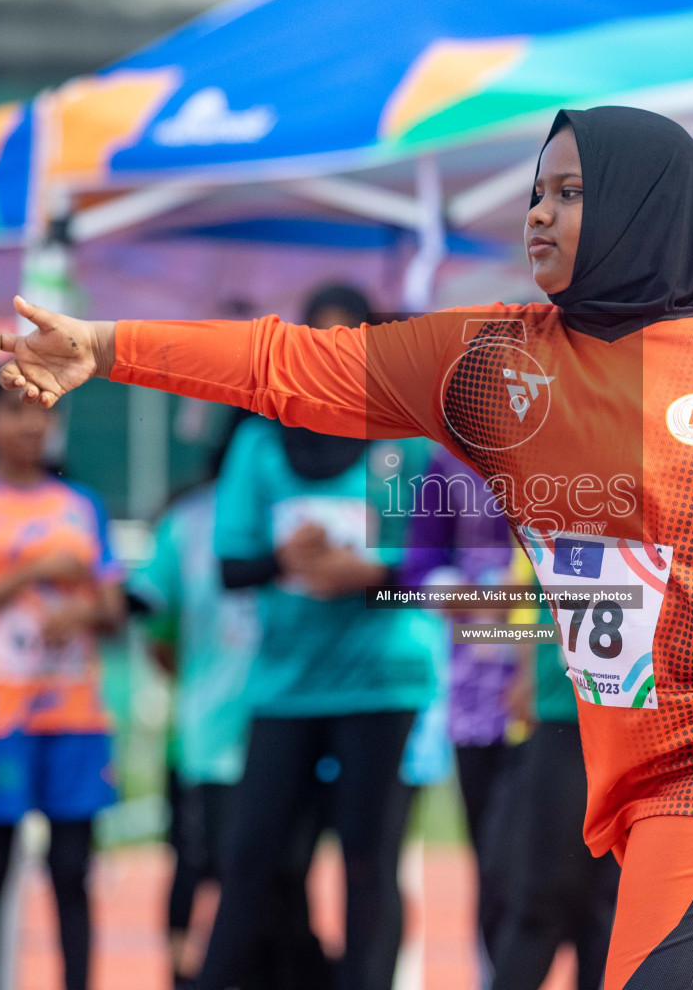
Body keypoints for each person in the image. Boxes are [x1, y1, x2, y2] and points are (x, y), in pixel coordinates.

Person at [0, 105, 693, 989]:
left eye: (572, 192)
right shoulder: (491, 364)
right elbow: (289, 367)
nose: (540, 213)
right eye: (535, 193)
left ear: (645, 205)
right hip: (648, 781)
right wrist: (106, 347)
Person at [183, 283, 438, 990]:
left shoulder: (398, 444)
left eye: (348, 343)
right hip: (285, 685)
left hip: (379, 680)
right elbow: (233, 567)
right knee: (251, 853)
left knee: (367, 860)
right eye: (317, 342)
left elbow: (422, 570)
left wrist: (363, 574)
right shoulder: (263, 440)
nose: (332, 357)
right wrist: (286, 560)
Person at [0, 378, 126, 990]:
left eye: (44, 411)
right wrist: (35, 570)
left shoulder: (82, 504)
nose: (33, 426)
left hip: (75, 718)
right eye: (15, 412)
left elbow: (114, 609)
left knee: (71, 871)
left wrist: (82, 612)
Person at [130, 423, 328, 990]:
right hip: (216, 741)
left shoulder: (305, 506)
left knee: (280, 882)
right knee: (220, 874)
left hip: (294, 727)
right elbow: (155, 622)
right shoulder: (190, 522)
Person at [399, 446, 518, 974]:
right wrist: (460, 596)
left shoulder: (587, 432)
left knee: (582, 868)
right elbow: (418, 565)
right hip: (480, 688)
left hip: (576, 686)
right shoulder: (448, 460)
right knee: (493, 855)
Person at [488, 548, 618, 990]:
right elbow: (530, 584)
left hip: (655, 722)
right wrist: (527, 670)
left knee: (613, 906)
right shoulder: (569, 494)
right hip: (566, 716)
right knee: (538, 899)